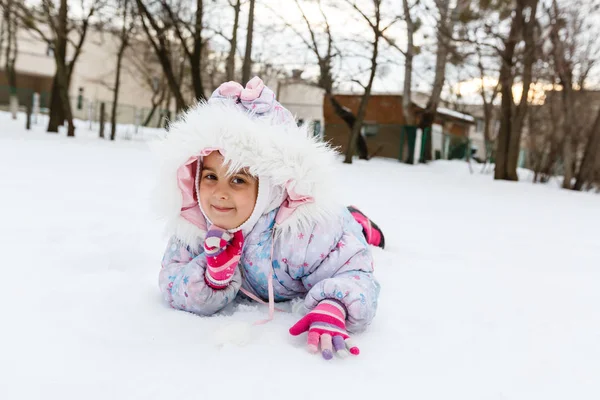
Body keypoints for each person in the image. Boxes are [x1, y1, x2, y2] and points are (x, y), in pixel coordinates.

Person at [154, 77, 383, 360]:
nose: (219, 194)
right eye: (210, 177)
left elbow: (354, 271)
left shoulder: (309, 230)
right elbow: (171, 280)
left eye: (238, 180)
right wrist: (211, 278)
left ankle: (360, 221)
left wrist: (334, 305)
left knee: (351, 229)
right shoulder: (195, 226)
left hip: (334, 226)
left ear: (269, 188)